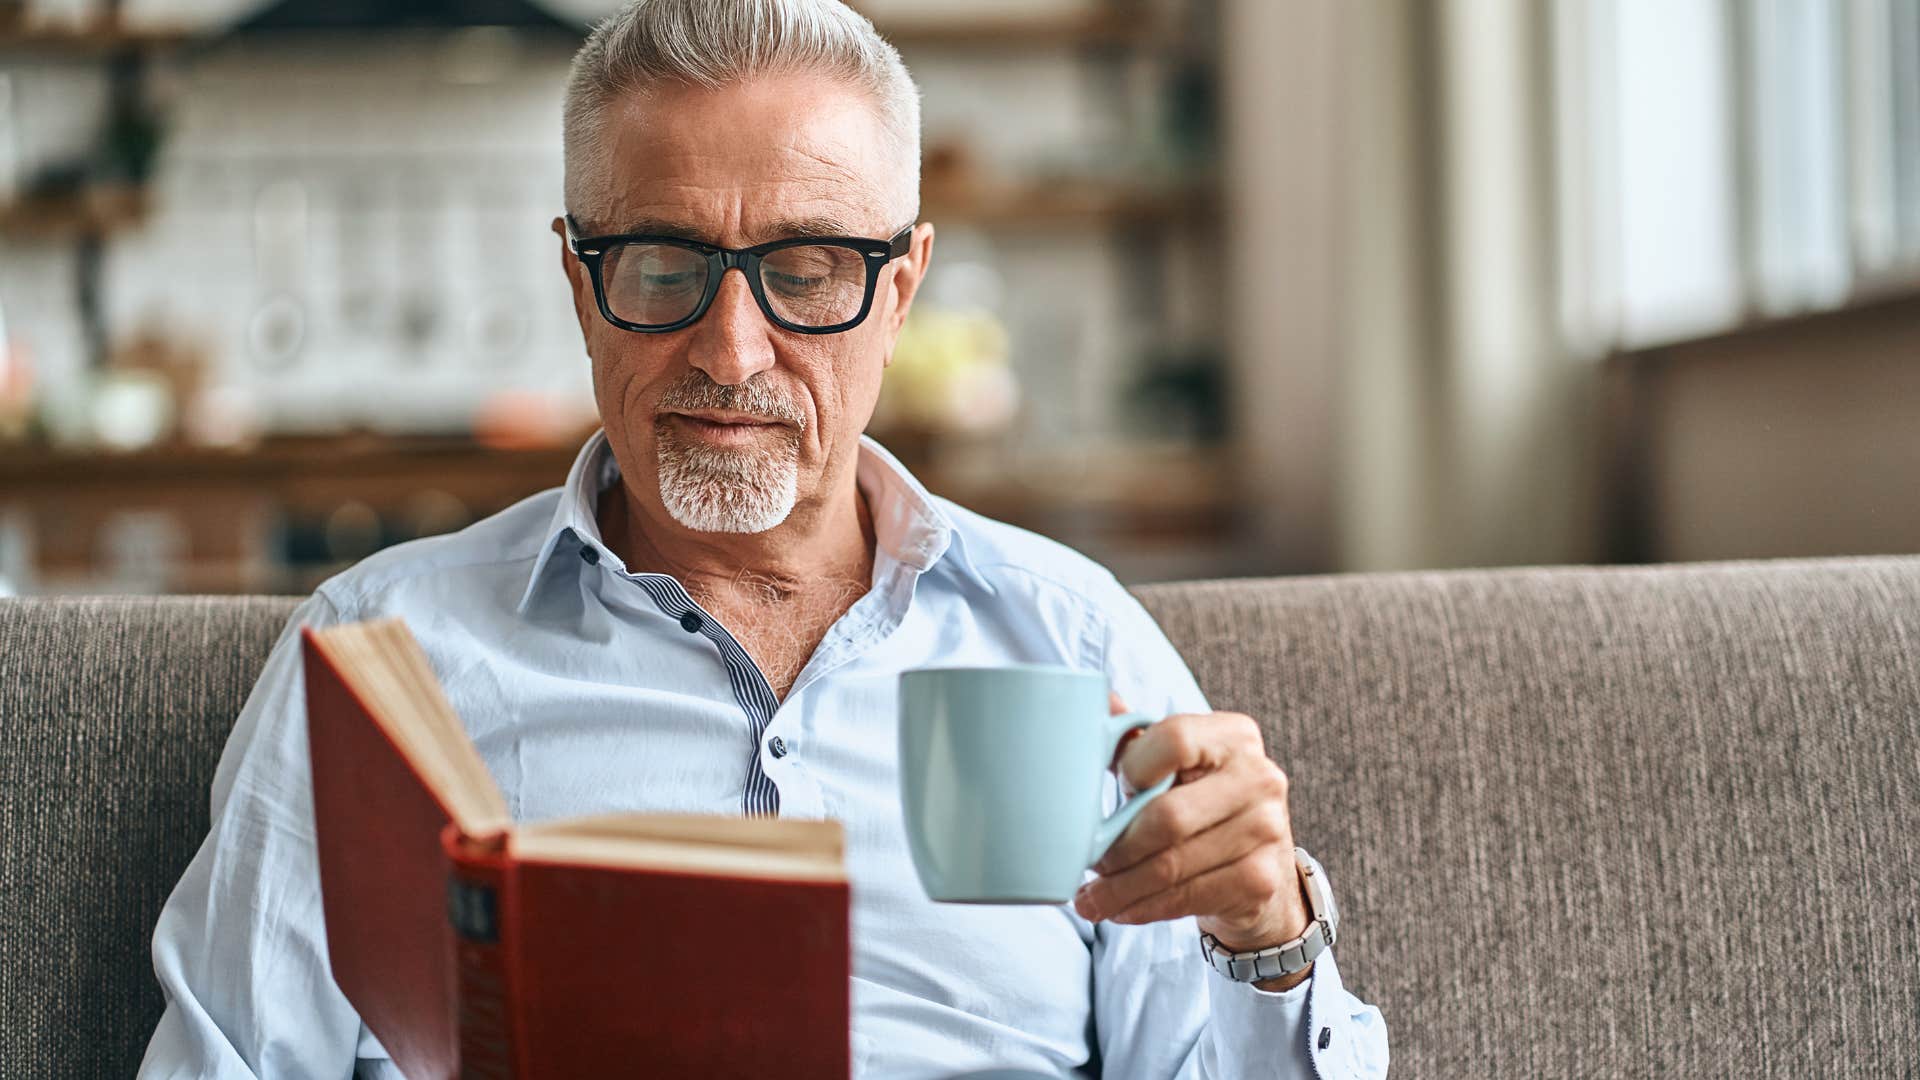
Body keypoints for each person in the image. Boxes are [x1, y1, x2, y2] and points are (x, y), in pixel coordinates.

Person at [139, 2, 1389, 1076]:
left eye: (806, 270)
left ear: (898, 294)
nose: (731, 352)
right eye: (663, 265)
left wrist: (1267, 933)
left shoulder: (1071, 636)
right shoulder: (378, 658)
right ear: (581, 287)